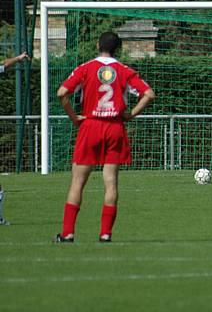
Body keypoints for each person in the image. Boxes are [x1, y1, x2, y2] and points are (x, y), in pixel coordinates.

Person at [55, 31, 155, 243]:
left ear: (97, 44)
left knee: (77, 182)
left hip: (90, 126)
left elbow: (62, 93)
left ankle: (67, 233)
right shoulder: (124, 70)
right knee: (111, 183)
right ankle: (105, 233)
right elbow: (149, 94)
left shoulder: (85, 68)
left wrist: (74, 117)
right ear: (118, 48)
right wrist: (131, 114)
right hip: (115, 128)